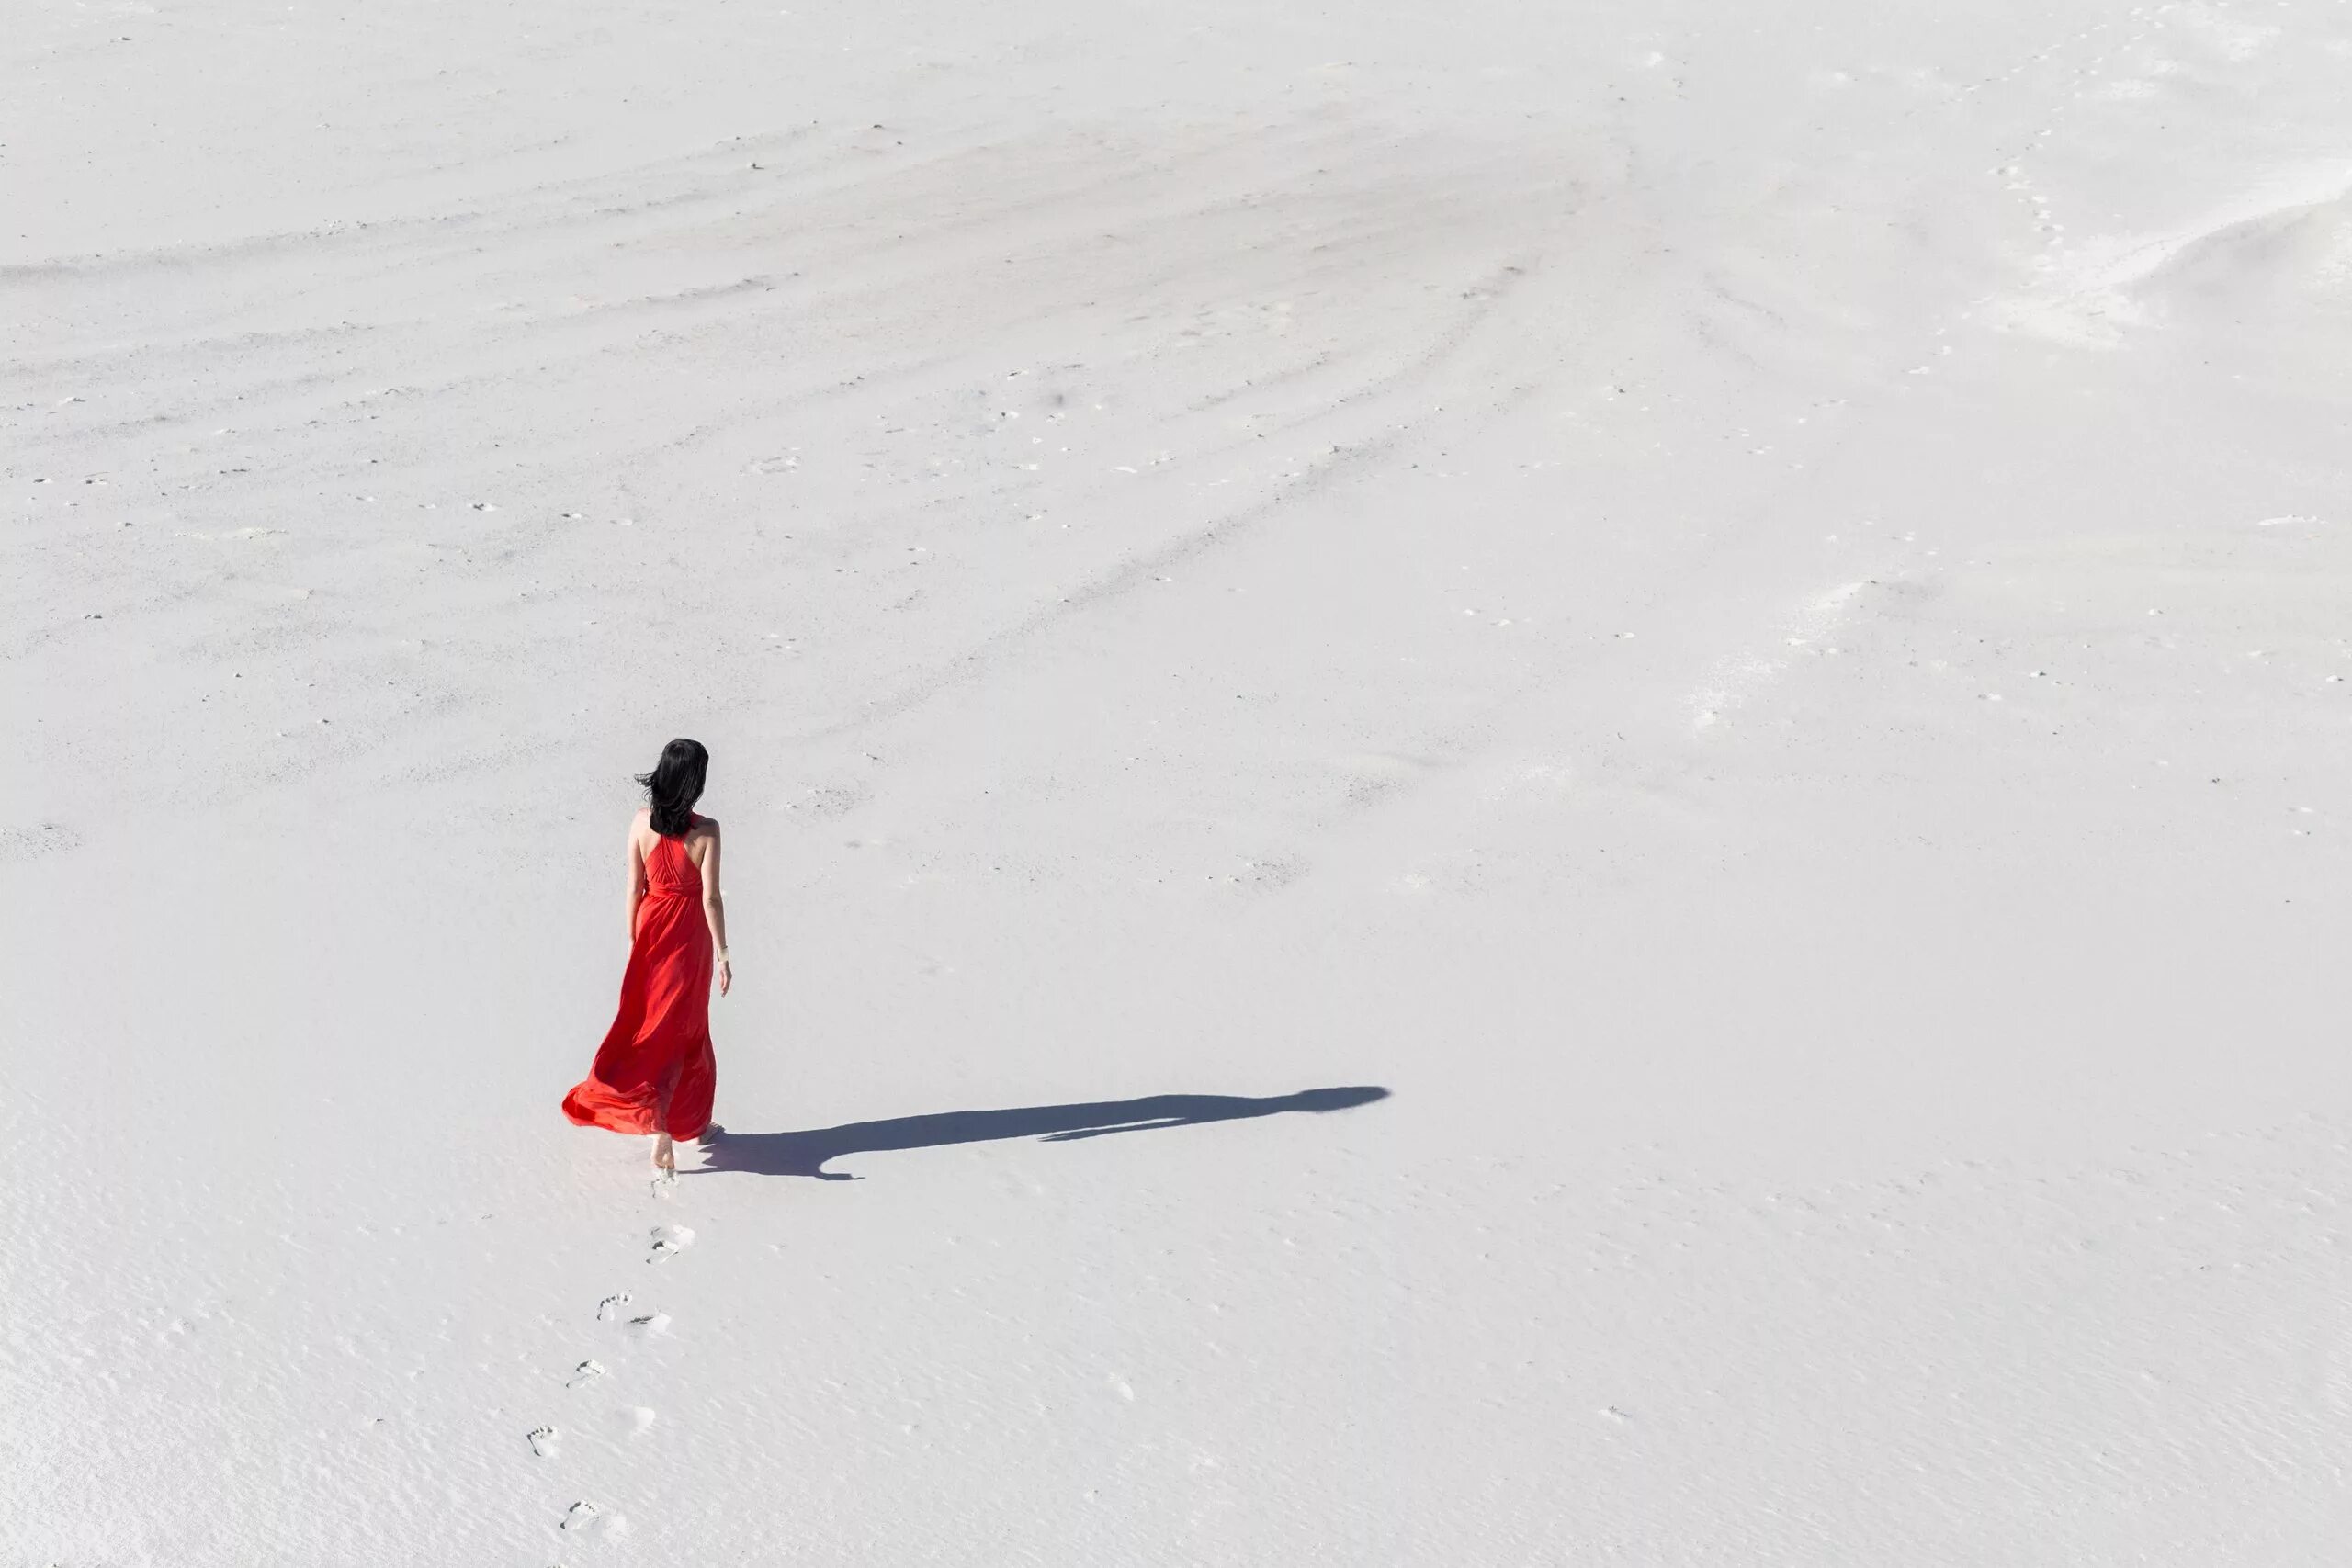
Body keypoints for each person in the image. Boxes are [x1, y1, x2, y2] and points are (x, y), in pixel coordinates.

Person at [562, 739, 729, 1176]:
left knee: (648, 1027)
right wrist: (724, 953)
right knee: (685, 1029)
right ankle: (676, 1126)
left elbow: (633, 888)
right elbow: (711, 899)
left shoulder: (640, 822)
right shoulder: (707, 830)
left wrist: (635, 939)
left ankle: (660, 1122)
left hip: (651, 929)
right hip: (689, 937)